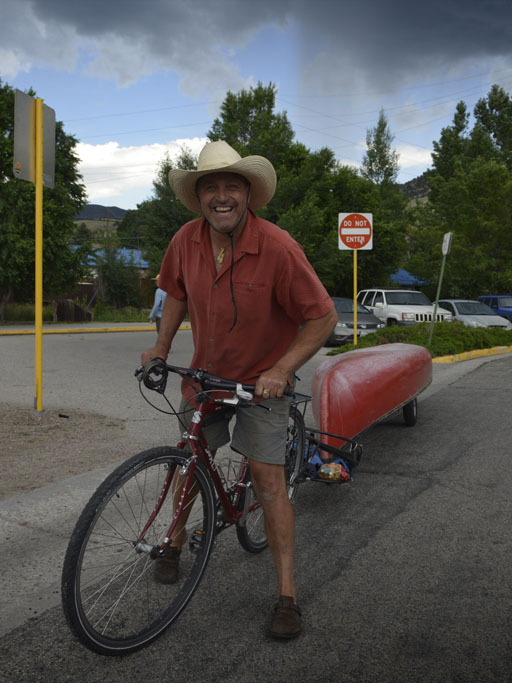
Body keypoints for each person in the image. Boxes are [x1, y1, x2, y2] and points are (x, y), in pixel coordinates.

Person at [140, 140, 336, 640]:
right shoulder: (185, 239)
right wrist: (160, 348)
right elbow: (174, 294)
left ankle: (287, 595)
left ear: (248, 194)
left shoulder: (278, 246)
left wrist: (283, 367)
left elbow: (322, 316)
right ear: (198, 196)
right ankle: (175, 543)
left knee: (269, 483)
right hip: (204, 377)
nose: (221, 196)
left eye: (231, 186)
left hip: (262, 385)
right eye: (211, 187)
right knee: (190, 463)